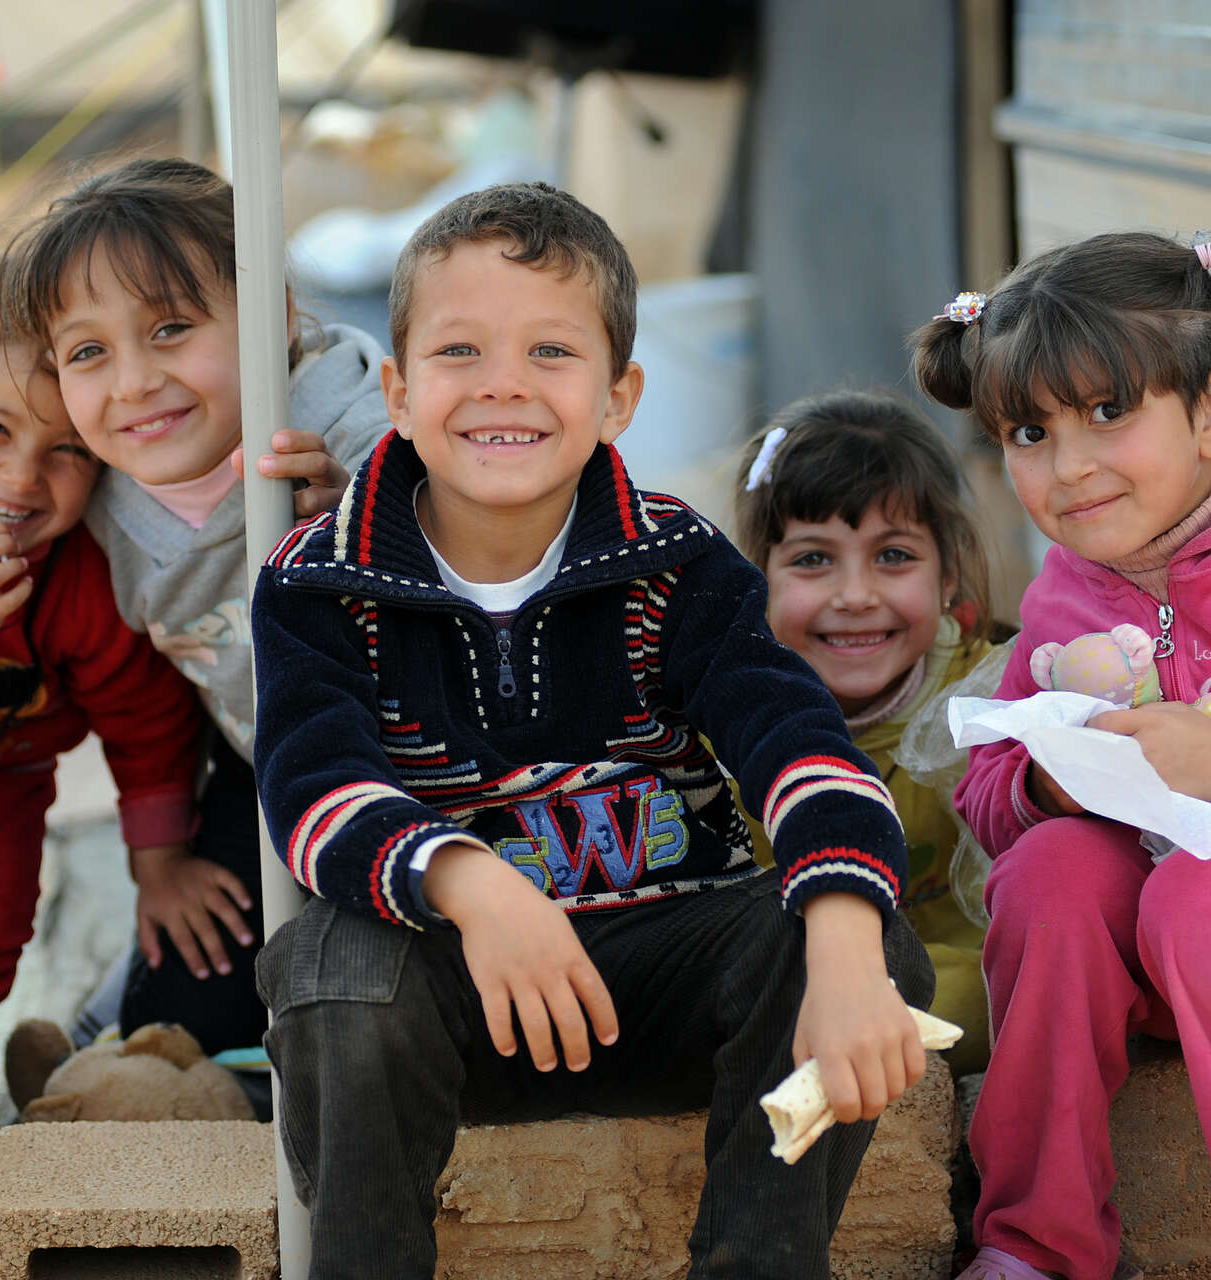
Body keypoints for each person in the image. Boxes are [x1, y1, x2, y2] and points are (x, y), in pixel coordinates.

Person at [251, 180, 935, 1280]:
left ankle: (757, 1263)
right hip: (452, 996)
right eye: (459, 351)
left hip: (661, 986)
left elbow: (798, 740)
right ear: (397, 388)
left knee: (851, 930)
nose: (503, 385)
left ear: (619, 396)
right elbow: (312, 787)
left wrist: (851, 944)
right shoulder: (322, 579)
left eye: (551, 353)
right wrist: (473, 884)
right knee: (332, 962)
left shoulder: (672, 560)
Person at [0, 157, 391, 1058]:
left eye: (171, 327)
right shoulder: (96, 495)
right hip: (256, 761)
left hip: (418, 771)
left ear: (274, 319)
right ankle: (123, 1020)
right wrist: (159, 865)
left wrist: (366, 519)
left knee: (360, 988)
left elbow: (467, 520)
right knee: (194, 971)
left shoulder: (342, 425)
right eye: (89, 352)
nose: (132, 382)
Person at [913, 231, 1211, 1280]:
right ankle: (1036, 1245)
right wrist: (1045, 770)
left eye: (1106, 411)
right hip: (1128, 950)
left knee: (1191, 899)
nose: (1067, 465)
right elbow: (989, 794)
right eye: (1028, 430)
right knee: (1044, 871)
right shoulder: (1061, 596)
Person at [0, 234, 212, 1018]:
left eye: (66, 451)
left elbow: (147, 724)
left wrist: (158, 871)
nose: (22, 479)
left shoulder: (84, 575)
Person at [732, 389, 1000, 1076]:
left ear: (948, 576)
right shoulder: (718, 731)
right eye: (813, 560)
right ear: (754, 578)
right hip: (796, 988)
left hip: (967, 991)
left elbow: (1021, 955)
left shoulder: (998, 709)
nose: (855, 596)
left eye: (894, 557)